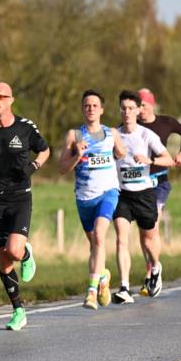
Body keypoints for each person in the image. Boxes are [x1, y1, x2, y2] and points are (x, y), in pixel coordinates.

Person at [0, 82, 50, 330]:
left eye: (1, 97)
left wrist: (33, 167)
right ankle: (18, 310)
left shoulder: (25, 128)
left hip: (19, 198)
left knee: (14, 251)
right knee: (3, 261)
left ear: (11, 100)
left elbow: (45, 151)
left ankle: (26, 253)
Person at [57, 90, 127, 310]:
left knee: (99, 236)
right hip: (84, 197)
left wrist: (118, 153)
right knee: (96, 245)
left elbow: (121, 153)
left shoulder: (112, 133)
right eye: (87, 106)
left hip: (108, 192)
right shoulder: (74, 136)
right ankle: (103, 278)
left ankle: (90, 292)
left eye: (95, 106)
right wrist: (77, 155)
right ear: (82, 109)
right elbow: (61, 169)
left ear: (102, 110)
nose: (91, 109)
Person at [112, 90, 174, 303]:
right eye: (123, 108)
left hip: (145, 193)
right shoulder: (114, 135)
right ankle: (124, 288)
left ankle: (155, 266)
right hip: (122, 195)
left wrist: (150, 161)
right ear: (119, 110)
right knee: (121, 238)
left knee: (148, 241)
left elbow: (169, 160)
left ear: (138, 110)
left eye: (131, 108)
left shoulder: (146, 135)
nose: (127, 112)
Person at [137, 87, 181, 295]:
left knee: (153, 223)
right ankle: (150, 269)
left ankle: (154, 270)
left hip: (159, 181)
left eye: (143, 105)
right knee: (144, 233)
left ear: (151, 104)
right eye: (137, 105)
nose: (140, 110)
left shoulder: (165, 122)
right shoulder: (130, 127)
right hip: (137, 184)